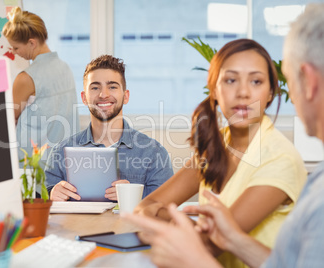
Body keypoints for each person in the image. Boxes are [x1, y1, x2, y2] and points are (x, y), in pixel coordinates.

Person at [124, 3, 324, 267]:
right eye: (230, 80)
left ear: (271, 93)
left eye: (256, 81)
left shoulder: (279, 158)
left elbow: (209, 245)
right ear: (214, 91)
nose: (243, 92)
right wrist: (186, 223)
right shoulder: (217, 143)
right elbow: (144, 208)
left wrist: (170, 219)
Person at [45, 55, 173, 201]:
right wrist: (50, 195)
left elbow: (166, 204)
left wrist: (132, 196)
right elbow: (40, 203)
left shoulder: (154, 154)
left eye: (112, 87)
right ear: (84, 98)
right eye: (95, 87)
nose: (103, 94)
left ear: (126, 96)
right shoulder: (60, 152)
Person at [2, 7, 80, 163]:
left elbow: (7, 120)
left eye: (16, 47)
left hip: (33, 167)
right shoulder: (65, 68)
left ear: (32, 43)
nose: (15, 52)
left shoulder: (26, 78)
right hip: (62, 163)